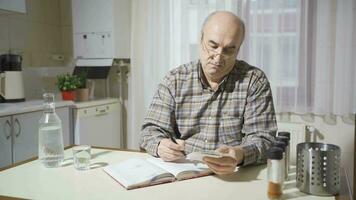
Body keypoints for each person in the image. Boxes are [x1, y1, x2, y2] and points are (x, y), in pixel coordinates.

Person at [140, 11, 277, 175]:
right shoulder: (175, 80)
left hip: (233, 174)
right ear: (200, 40)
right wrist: (160, 145)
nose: (218, 58)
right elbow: (149, 132)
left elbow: (264, 139)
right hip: (184, 171)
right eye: (213, 46)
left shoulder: (254, 81)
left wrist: (240, 154)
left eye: (229, 50)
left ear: (238, 49)